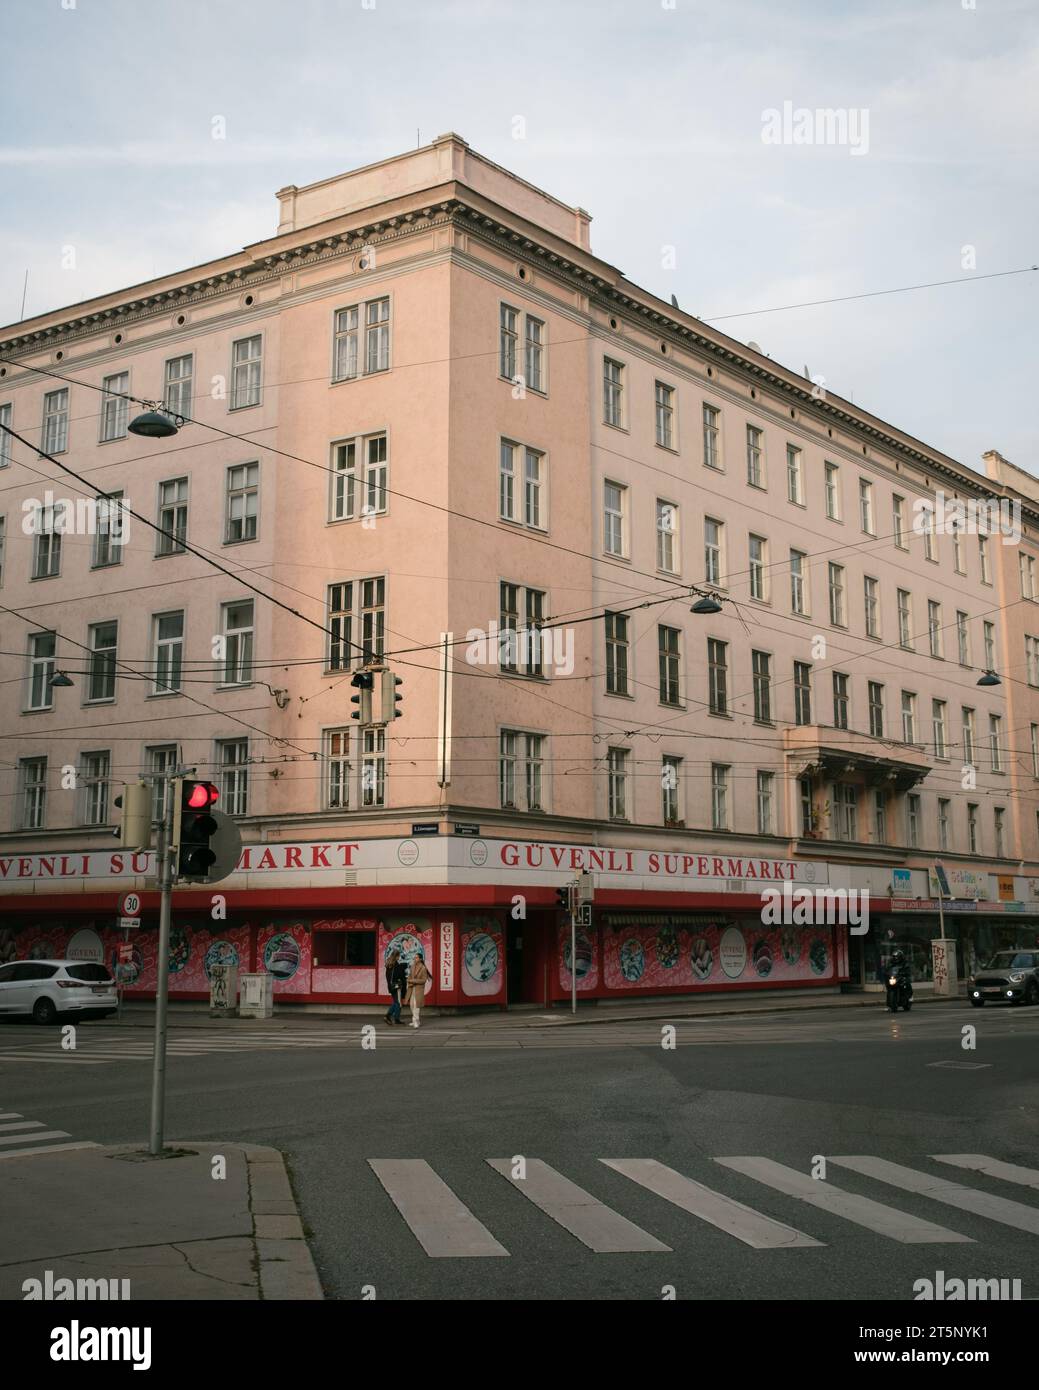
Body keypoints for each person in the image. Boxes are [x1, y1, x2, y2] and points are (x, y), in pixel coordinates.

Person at [405, 951, 430, 1029]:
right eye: (414, 957)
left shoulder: (423, 968)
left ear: (420, 959)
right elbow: (409, 976)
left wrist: (412, 981)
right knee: (411, 1005)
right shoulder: (412, 966)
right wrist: (409, 981)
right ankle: (416, 1020)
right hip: (411, 988)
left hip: (419, 989)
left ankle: (415, 1021)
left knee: (416, 1005)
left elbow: (424, 980)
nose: (414, 959)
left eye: (416, 957)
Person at [384, 949, 406, 1026]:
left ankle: (392, 1017)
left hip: (391, 986)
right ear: (396, 956)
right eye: (398, 956)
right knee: (398, 1003)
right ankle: (391, 1017)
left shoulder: (389, 964)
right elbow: (399, 976)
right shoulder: (396, 965)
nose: (399, 957)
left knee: (395, 1002)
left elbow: (388, 977)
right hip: (396, 986)